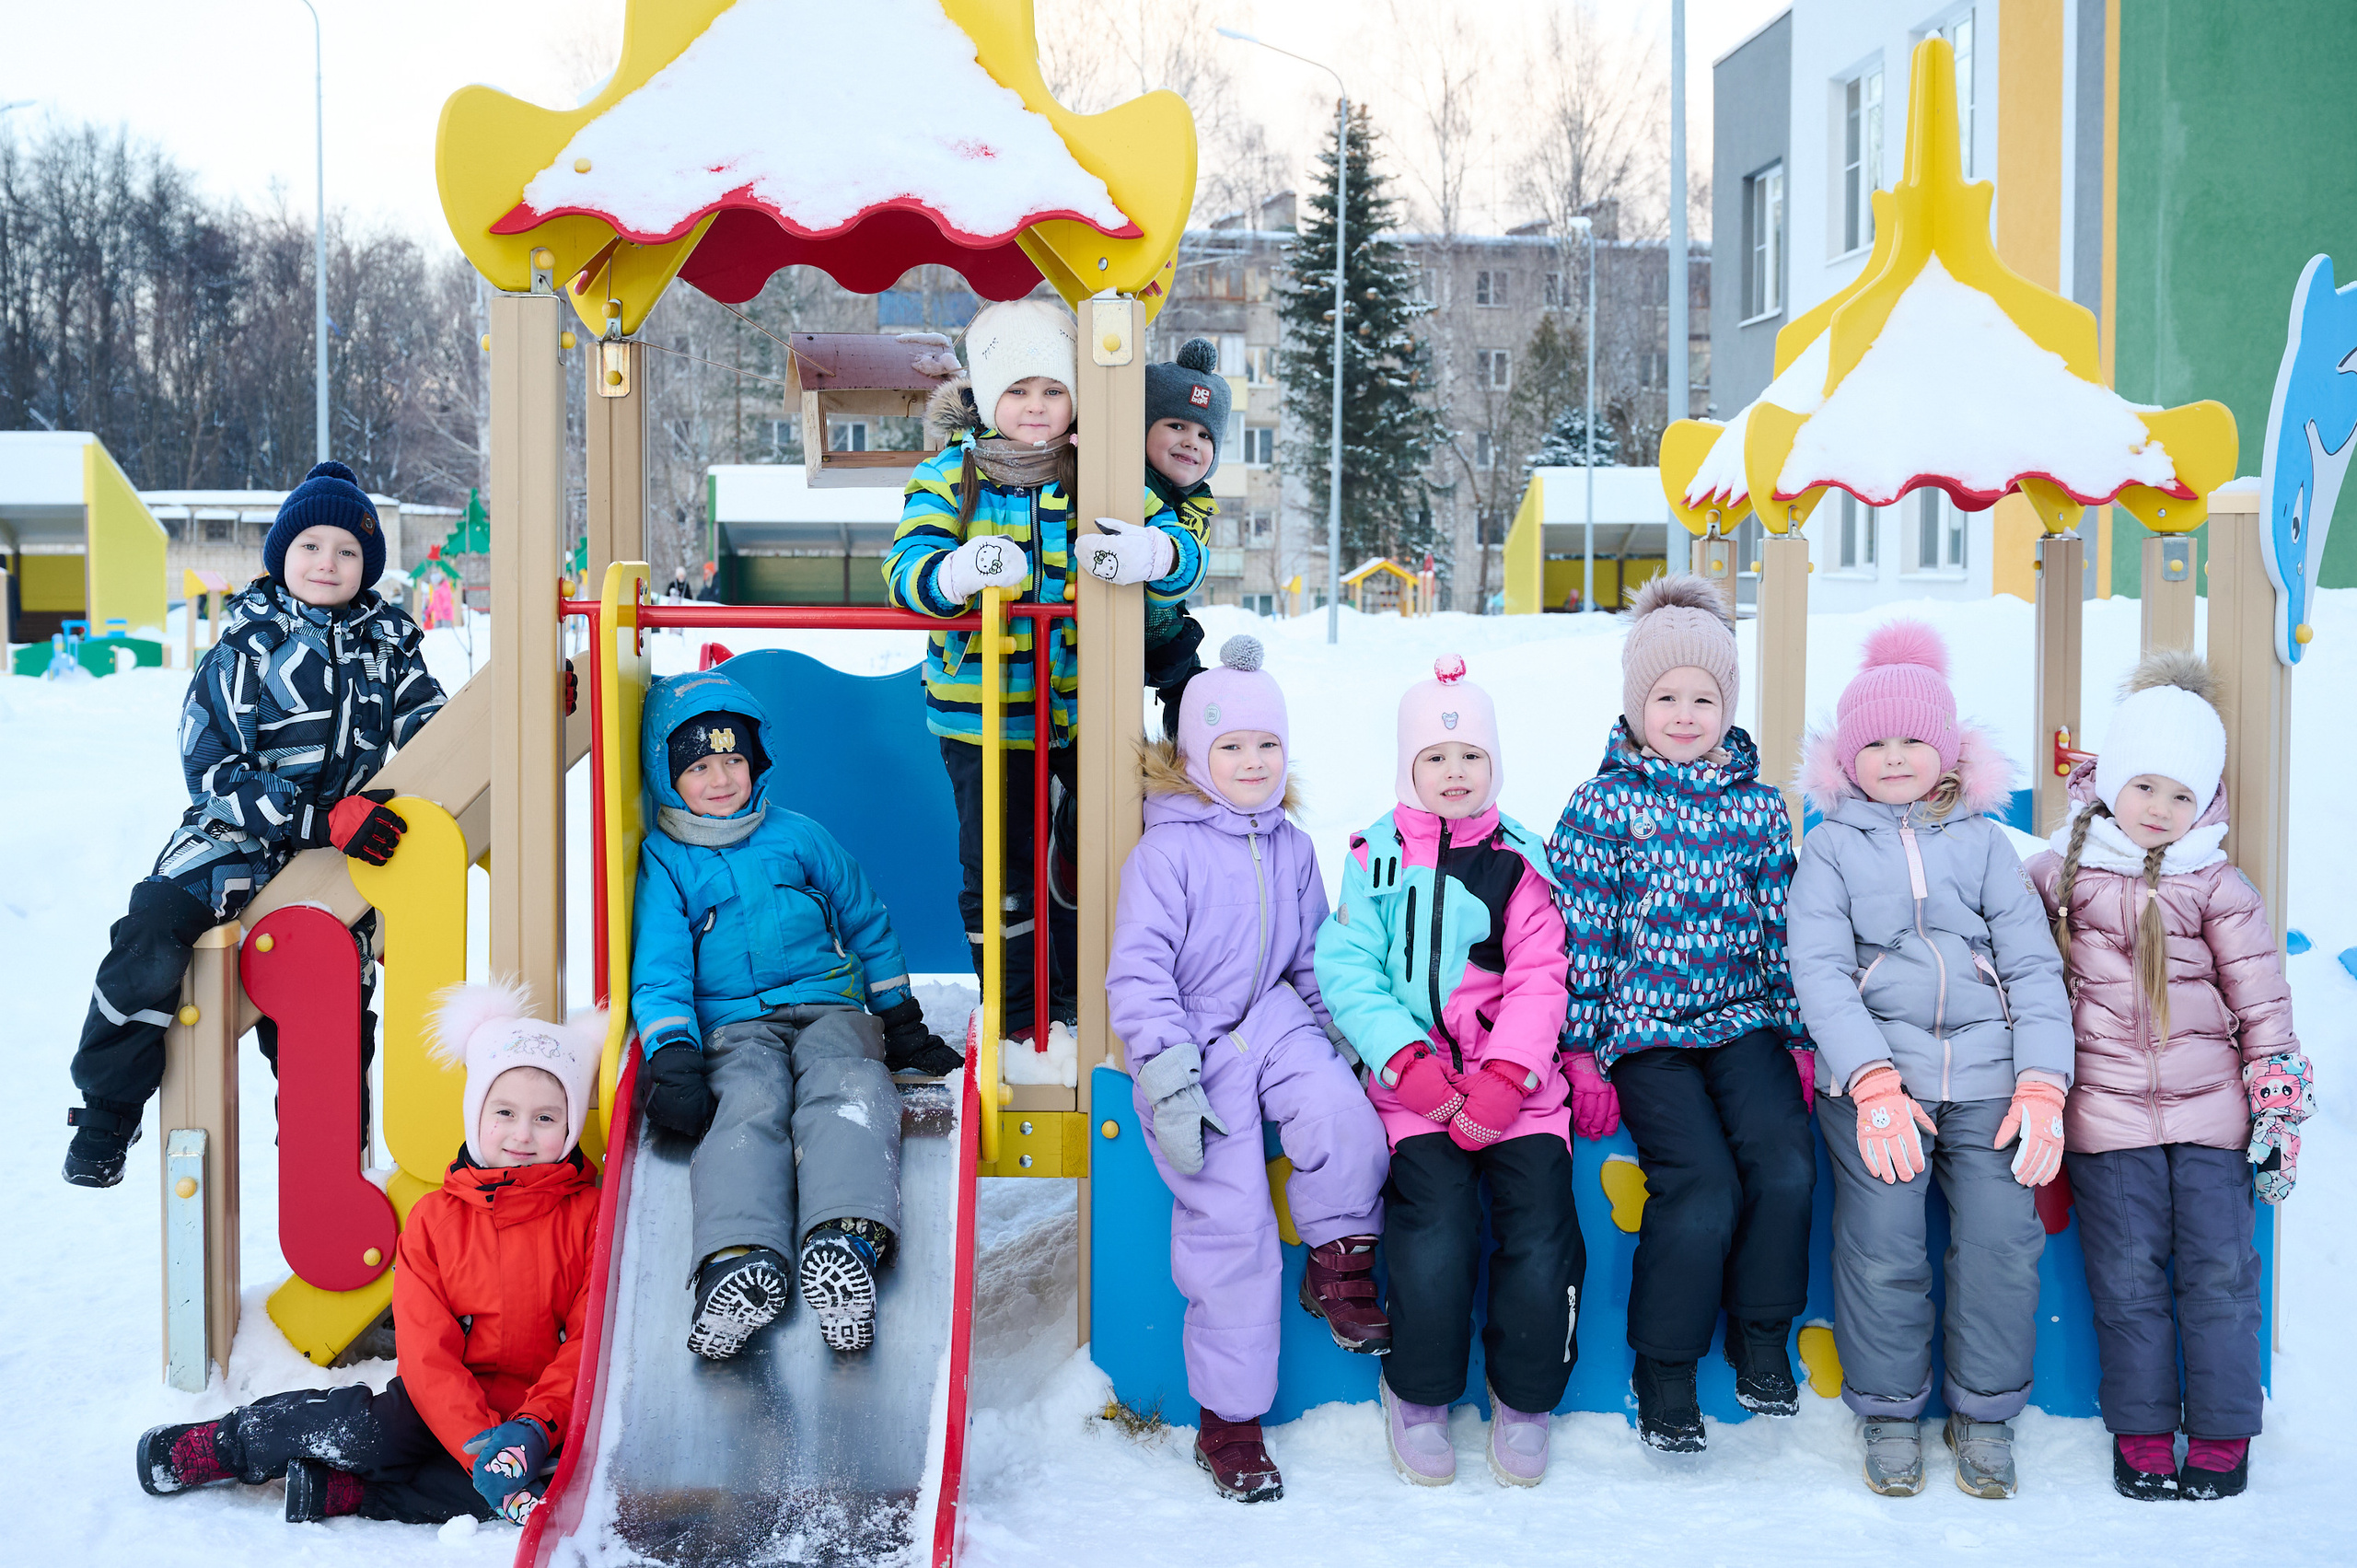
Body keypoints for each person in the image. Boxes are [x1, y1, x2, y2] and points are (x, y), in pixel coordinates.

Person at [64, 460, 446, 1188]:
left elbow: (437, 732)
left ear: (367, 566)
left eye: (346, 551)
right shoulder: (248, 645)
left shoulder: (389, 647)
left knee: (327, 1000)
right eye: (309, 546)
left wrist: (519, 704)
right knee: (152, 923)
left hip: (336, 858)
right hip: (232, 839)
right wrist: (314, 817)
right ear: (281, 554)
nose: (326, 562)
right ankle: (108, 1108)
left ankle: (327, 1174)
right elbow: (209, 766)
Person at [136, 984, 603, 1526]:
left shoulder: (589, 1216)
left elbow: (589, 1339)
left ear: (569, 1128)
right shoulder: (437, 1219)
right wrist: (475, 1441)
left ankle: (351, 1494)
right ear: (476, 1115)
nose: (522, 1134)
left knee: (543, 1494)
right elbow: (427, 1351)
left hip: (540, 1416)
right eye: (505, 1112)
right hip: (439, 1402)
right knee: (370, 1433)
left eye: (546, 1118)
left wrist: (533, 1429)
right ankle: (228, 1443)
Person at [1787, 621, 2073, 1500]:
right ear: (1847, 757)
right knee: (1883, 1238)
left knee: (2000, 1236)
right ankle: (1889, 1408)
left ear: (1947, 748)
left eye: (1915, 738)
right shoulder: (1831, 848)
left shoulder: (1987, 843)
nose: (1897, 756)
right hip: (1880, 1078)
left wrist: (2044, 1080)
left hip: (1991, 1076)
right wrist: (1870, 1080)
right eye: (1874, 742)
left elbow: (2031, 962)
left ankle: (1985, 1413)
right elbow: (1820, 970)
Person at [1109, 636, 1389, 1504]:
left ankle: (1338, 1260)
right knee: (1229, 1222)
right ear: (1194, 753)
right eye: (1231, 746)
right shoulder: (1167, 853)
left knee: (1346, 1117)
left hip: (1274, 1019)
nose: (1252, 761)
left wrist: (1342, 1039)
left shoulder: (1294, 846)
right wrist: (1165, 1071)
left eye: (1267, 745)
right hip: (1194, 1043)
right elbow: (1141, 971)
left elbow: (1313, 958)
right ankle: (1229, 1421)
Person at [2026, 652, 2310, 1503]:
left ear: (2206, 803)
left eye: (2182, 795)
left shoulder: (2216, 885)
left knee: (2220, 1273)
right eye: (2145, 786)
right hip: (2107, 1126)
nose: (2160, 809)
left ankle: (2222, 1430)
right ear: (2111, 778)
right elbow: (2015, 965)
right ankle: (2144, 1430)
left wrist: (2277, 1106)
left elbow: (2261, 998)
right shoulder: (2058, 874)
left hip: (2212, 1121)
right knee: (2125, 1278)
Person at [883, 298, 1204, 1040]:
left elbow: (1184, 546)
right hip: (984, 716)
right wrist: (957, 571)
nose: (1035, 408)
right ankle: (1017, 1013)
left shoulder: (1098, 471)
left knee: (1099, 851)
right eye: (1018, 391)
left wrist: (1155, 555)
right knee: (1001, 867)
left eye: (1053, 390)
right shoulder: (951, 474)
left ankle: (1082, 998)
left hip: (1082, 710)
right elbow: (905, 573)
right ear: (988, 396)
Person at [1546, 575, 1815, 1455]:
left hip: (1743, 1021)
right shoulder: (1601, 806)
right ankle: (1663, 1366)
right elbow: (1582, 937)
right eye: (1667, 696)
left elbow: (1782, 928)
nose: (1687, 713)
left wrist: (1798, 1034)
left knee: (1781, 1160)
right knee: (1700, 1181)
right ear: (1636, 704)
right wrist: (1582, 1052)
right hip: (1647, 1036)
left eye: (1705, 697)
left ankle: (1761, 1332)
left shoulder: (1758, 807)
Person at [630, 668, 962, 1359]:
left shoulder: (799, 835)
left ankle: (845, 1240)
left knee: (850, 1086)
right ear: (666, 774)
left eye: (734, 760)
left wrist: (899, 1017)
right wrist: (673, 1052)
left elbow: (866, 919)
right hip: (732, 1026)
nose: (720, 779)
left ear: (757, 764)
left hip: (828, 1004)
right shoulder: (665, 861)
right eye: (699, 766)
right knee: (747, 1104)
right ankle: (739, 1257)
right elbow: (660, 969)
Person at [1318, 656, 1581, 1490]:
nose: (1454, 772)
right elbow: (1350, 967)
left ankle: (1527, 1395)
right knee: (1432, 1233)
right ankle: (1420, 1394)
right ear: (1409, 767)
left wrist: (1507, 1077)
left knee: (1540, 1230)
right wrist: (1412, 1068)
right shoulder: (1378, 857)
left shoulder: (1520, 860)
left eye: (1471, 758)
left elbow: (1544, 975)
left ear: (1493, 766)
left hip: (1520, 1095)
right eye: (1436, 758)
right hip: (1417, 1095)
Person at [1138, 339, 1225, 738]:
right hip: (1114, 632)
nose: (1192, 441)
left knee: (1193, 692)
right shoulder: (1132, 488)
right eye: (1176, 425)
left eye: (1205, 435)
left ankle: (1191, 761)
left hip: (1159, 629)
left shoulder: (1194, 503)